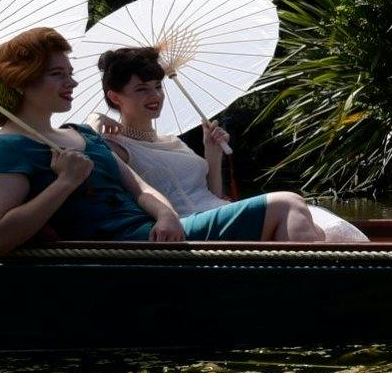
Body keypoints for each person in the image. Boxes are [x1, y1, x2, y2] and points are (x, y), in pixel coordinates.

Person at [0, 28, 340, 255]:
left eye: (70, 72)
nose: (73, 83)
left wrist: (164, 213)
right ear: (22, 82)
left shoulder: (78, 134)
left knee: (296, 209)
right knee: (286, 203)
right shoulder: (6, 148)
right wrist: (65, 183)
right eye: (56, 74)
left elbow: (142, 187)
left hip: (158, 236)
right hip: (123, 251)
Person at [92, 45, 367, 245]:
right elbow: (89, 154)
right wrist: (94, 120)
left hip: (215, 214)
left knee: (316, 218)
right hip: (185, 225)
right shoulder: (115, 146)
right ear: (115, 97)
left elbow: (211, 191)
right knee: (287, 201)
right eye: (142, 89)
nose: (155, 96)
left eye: (157, 86)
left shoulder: (171, 140)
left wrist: (212, 154)